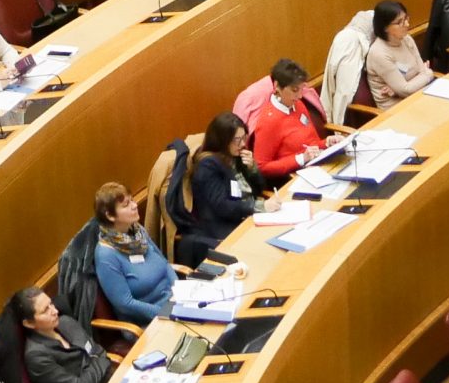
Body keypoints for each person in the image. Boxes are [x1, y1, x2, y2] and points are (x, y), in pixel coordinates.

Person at [177, 112, 277, 261]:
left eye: (244, 138)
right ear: (222, 140)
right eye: (237, 139)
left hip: (248, 217)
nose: (243, 144)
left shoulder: (234, 156)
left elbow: (258, 189)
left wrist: (252, 169)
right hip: (225, 228)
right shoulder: (208, 165)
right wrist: (259, 207)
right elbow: (223, 206)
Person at [14, 286, 113, 383]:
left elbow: (100, 351)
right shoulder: (36, 356)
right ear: (29, 323)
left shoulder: (66, 322)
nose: (54, 311)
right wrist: (98, 359)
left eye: (51, 304)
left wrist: (96, 360)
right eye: (45, 310)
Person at [91, 183, 175, 325]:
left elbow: (165, 264)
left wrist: (179, 292)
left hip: (173, 302)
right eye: (126, 205)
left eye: (132, 200)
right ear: (110, 215)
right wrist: (164, 312)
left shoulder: (138, 232)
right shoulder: (105, 255)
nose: (134, 205)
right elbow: (125, 303)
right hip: (147, 321)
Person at [249, 59, 329, 178]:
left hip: (316, 166)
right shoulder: (268, 122)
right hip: (292, 177)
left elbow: (311, 143)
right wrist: (301, 158)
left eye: (302, 89)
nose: (300, 95)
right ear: (277, 86)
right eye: (295, 90)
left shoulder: (298, 104)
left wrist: (326, 143)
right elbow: (261, 166)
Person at [363, 1, 439, 104]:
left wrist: (398, 89)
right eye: (399, 22)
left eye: (406, 18)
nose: (407, 24)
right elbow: (406, 91)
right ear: (385, 27)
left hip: (420, 94)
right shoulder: (379, 54)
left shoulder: (406, 39)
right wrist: (428, 74)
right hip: (397, 107)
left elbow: (421, 71)